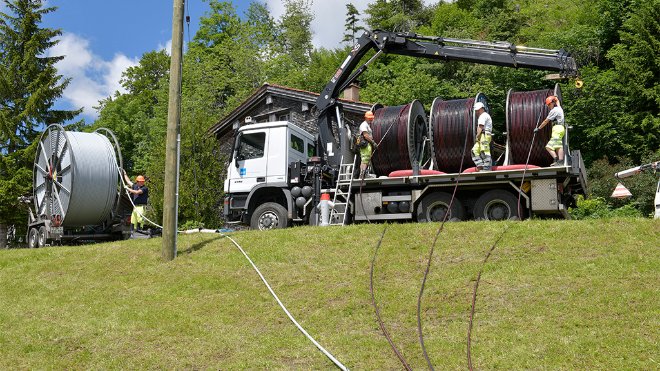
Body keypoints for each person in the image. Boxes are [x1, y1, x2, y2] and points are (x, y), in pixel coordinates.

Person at [535, 95, 565, 166]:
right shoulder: (559, 108)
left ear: (552, 103)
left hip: (557, 129)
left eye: (548, 104)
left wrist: (538, 128)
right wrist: (555, 97)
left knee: (548, 147)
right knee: (558, 146)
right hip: (561, 128)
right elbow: (557, 101)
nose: (548, 106)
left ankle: (556, 160)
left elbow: (546, 121)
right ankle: (560, 161)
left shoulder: (554, 111)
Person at [471, 102, 493, 171]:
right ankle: (480, 166)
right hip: (482, 135)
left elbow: (481, 126)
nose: (476, 112)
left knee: (484, 151)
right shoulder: (483, 115)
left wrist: (477, 136)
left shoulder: (483, 115)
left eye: (477, 110)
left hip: (484, 135)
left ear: (481, 109)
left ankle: (487, 168)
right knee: (474, 151)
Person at [358, 110, 377, 177]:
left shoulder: (367, 125)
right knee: (365, 159)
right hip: (365, 144)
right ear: (365, 118)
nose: (371, 119)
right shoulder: (364, 125)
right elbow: (365, 135)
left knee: (367, 158)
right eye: (369, 118)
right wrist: (373, 142)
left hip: (367, 144)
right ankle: (362, 174)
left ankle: (364, 173)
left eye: (371, 118)